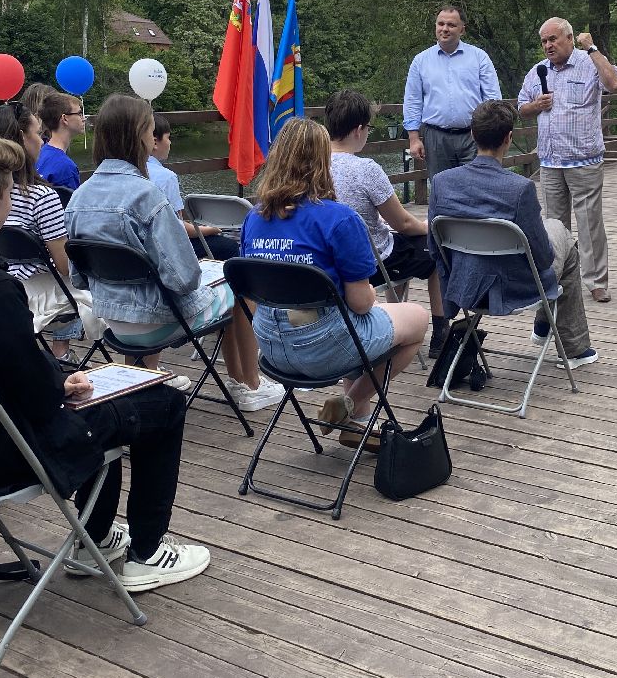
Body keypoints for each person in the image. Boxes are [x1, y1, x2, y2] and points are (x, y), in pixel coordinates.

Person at [0, 130, 210, 592]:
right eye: (10, 190)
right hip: (4, 456)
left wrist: (57, 380)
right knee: (165, 403)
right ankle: (147, 553)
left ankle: (95, 539)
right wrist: (57, 384)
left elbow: (4, 369)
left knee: (98, 400)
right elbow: (39, 402)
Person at [65, 95, 282, 410]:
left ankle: (139, 380)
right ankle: (249, 385)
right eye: (149, 130)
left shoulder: (79, 197)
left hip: (113, 322)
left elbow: (79, 278)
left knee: (151, 292)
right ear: (139, 136)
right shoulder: (147, 195)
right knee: (241, 286)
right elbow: (184, 279)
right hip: (158, 323)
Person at [239, 118, 429, 447]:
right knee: (415, 319)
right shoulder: (339, 218)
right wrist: (370, 298)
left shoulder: (254, 218)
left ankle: (357, 426)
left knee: (349, 322)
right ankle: (350, 404)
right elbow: (361, 303)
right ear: (322, 161)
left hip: (271, 347)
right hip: (323, 347)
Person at [428, 100, 598, 367]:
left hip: (464, 287)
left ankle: (546, 326)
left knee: (556, 231)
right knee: (564, 238)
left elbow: (435, 247)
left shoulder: (441, 183)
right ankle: (572, 346)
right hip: (513, 289)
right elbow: (543, 258)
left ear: (472, 134)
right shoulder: (520, 189)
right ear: (508, 138)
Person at [325, 89, 449, 356]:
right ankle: (440, 333)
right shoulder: (366, 169)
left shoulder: (312, 165)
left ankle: (394, 315)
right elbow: (403, 222)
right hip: (370, 263)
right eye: (368, 128)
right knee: (434, 248)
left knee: (399, 245)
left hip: (328, 261)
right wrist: (427, 227)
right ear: (358, 130)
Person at [516, 17, 617, 302]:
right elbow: (520, 108)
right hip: (550, 161)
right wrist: (535, 105)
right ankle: (558, 278)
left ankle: (596, 282)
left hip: (584, 159)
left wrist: (592, 49)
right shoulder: (537, 71)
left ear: (569, 38)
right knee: (554, 226)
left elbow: (614, 84)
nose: (548, 45)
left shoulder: (590, 62)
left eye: (553, 39)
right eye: (544, 41)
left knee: (589, 224)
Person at [0, 105, 98, 362]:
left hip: (0, 286)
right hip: (41, 293)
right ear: (22, 137)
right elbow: (65, 267)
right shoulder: (41, 197)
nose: (42, 141)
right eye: (37, 133)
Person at [403, 5, 501, 177]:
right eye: (441, 24)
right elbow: (413, 100)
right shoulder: (420, 61)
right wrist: (414, 138)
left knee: (477, 185)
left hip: (474, 136)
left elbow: (493, 100)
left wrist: (490, 133)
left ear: (462, 29)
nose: (445, 29)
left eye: (451, 25)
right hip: (436, 138)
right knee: (442, 187)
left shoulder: (479, 57)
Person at [149, 113, 240, 260]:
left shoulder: (131, 169)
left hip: (141, 248)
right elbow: (178, 229)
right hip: (165, 251)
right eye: (168, 138)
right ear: (154, 143)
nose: (170, 143)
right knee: (229, 247)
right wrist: (210, 229)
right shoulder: (166, 177)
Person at [36, 92, 83, 191]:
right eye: (79, 114)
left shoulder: (38, 154)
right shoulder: (66, 167)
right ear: (65, 119)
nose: (83, 118)